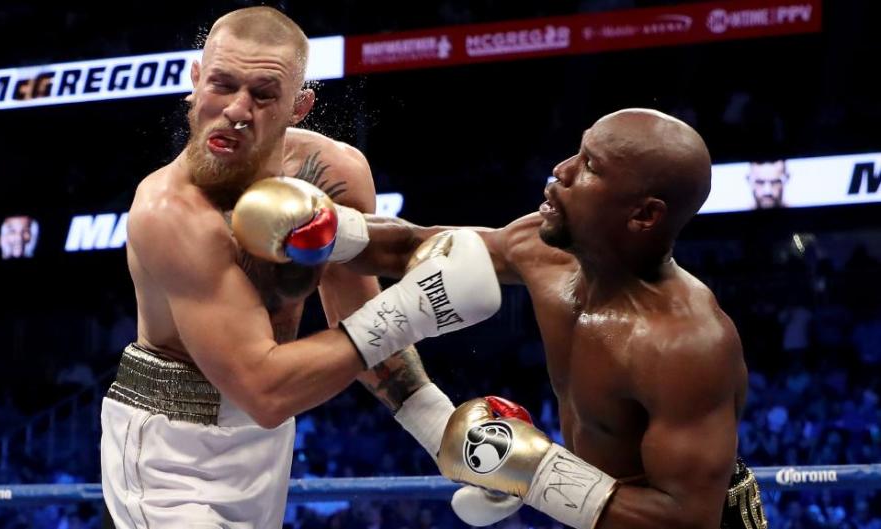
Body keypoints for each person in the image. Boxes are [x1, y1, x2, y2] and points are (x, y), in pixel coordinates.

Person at [99, 7, 500, 528]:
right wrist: (418, 306)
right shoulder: (169, 210)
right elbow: (263, 390)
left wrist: (444, 432)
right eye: (222, 84)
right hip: (169, 445)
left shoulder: (333, 174)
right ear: (195, 81)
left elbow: (359, 322)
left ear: (300, 106)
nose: (236, 110)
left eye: (263, 94)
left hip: (267, 441)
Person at [336, 109, 767, 528]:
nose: (561, 170)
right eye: (578, 152)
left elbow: (689, 520)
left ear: (644, 215)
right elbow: (412, 247)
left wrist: (534, 471)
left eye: (590, 166)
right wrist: (324, 228)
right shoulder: (541, 249)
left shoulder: (685, 345)